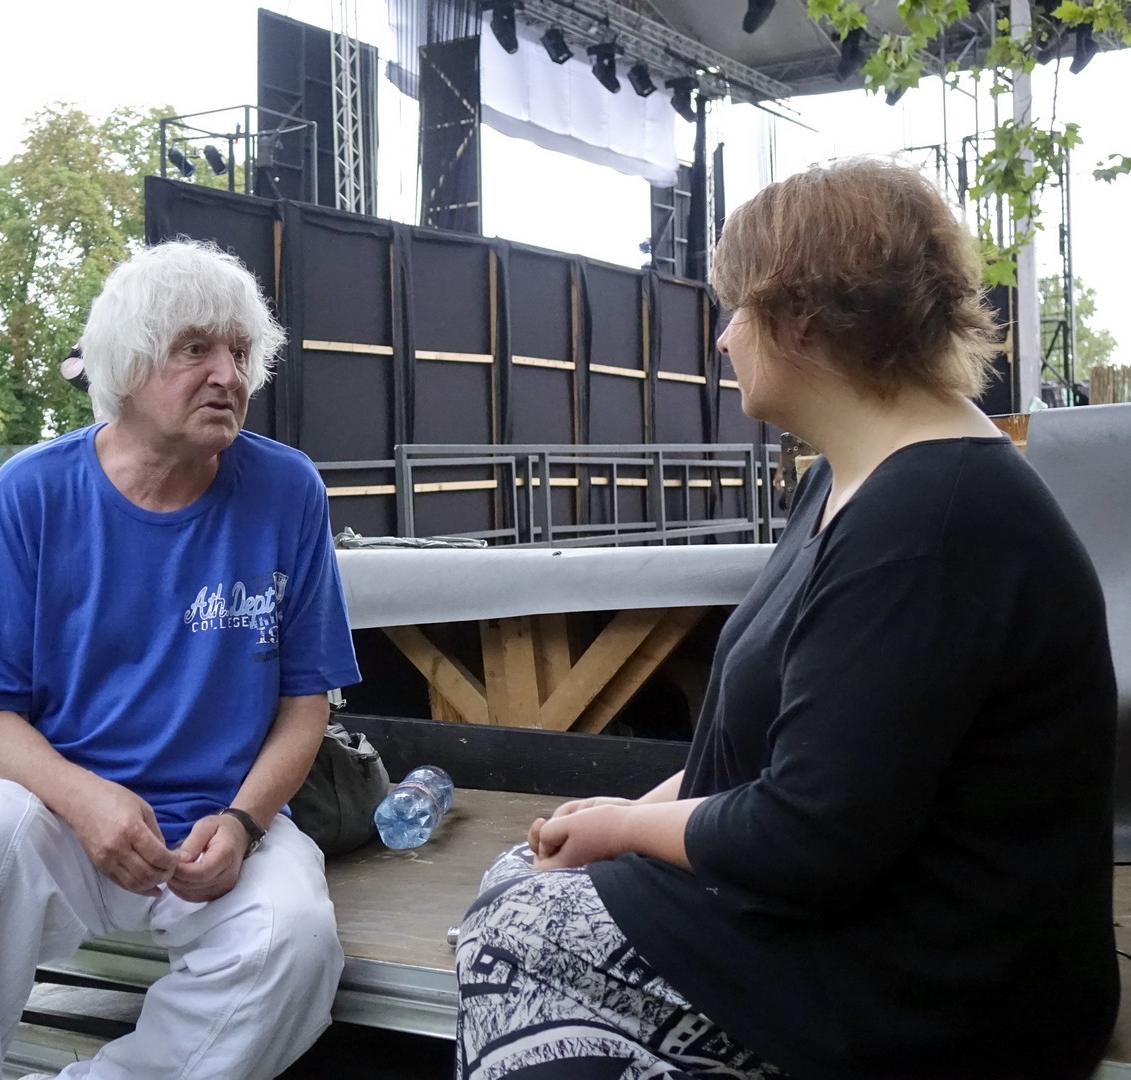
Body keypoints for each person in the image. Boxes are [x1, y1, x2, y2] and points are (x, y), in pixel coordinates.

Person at [455, 159, 1118, 1080]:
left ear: (800, 316)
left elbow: (808, 839)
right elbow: (783, 753)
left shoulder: (931, 523)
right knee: (516, 885)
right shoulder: (847, 482)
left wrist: (623, 832)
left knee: (513, 934)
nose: (724, 338)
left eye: (736, 310)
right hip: (853, 918)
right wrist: (626, 810)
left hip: (933, 983)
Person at [0, 240, 360, 1080]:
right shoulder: (31, 492)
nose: (228, 375)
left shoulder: (288, 490)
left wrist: (243, 824)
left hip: (217, 824)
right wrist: (87, 801)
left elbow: (304, 704)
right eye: (195, 349)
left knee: (296, 940)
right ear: (128, 367)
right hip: (57, 812)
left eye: (240, 352)